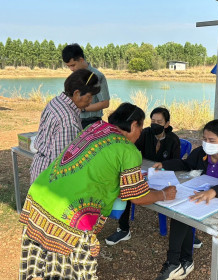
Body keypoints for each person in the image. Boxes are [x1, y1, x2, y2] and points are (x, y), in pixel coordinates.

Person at [19, 103, 177, 280]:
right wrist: (164, 194)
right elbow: (137, 197)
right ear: (134, 125)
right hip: (69, 216)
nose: (141, 133)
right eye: (141, 127)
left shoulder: (96, 127)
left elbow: (98, 169)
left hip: (40, 198)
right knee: (72, 272)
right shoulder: (128, 149)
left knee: (45, 266)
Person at [152, 119, 218, 280]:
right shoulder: (201, 153)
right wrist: (164, 164)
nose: (206, 143)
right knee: (181, 212)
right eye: (204, 139)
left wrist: (214, 192)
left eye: (212, 140)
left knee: (184, 211)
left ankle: (175, 262)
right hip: (203, 196)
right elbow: (186, 164)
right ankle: (180, 261)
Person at [105, 107, 183, 245]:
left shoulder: (173, 139)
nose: (155, 124)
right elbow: (131, 147)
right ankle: (123, 229)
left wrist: (164, 164)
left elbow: (178, 162)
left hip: (163, 177)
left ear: (166, 124)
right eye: (153, 121)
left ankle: (186, 234)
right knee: (128, 190)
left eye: (159, 121)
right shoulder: (145, 133)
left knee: (177, 195)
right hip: (145, 173)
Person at [29, 69, 100, 183]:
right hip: (51, 180)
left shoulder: (56, 101)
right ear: (77, 94)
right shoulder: (68, 120)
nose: (90, 101)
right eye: (89, 96)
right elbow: (63, 165)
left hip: (40, 169)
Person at [62, 43, 110, 129]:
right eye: (68, 66)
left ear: (81, 59)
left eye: (73, 65)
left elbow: (105, 103)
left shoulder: (97, 76)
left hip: (91, 122)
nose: (71, 69)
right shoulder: (74, 76)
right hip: (74, 120)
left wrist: (82, 108)